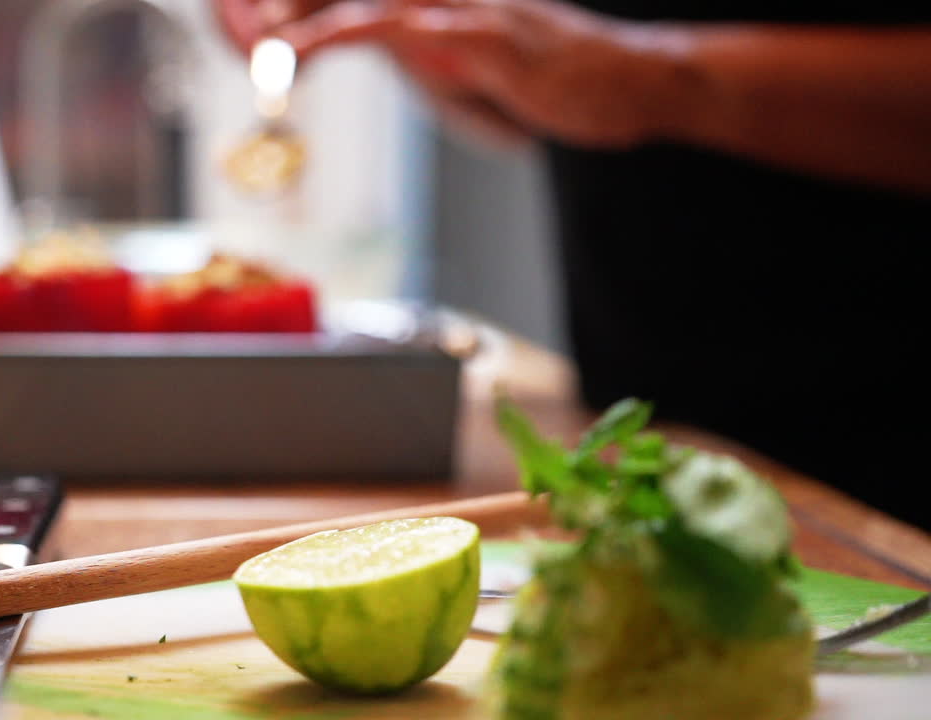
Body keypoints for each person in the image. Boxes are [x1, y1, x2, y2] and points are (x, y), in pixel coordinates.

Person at [214, 0, 931, 529]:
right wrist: (434, 44)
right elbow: (552, 104)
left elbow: (618, 78)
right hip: (653, 434)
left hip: (886, 457)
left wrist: (656, 77)